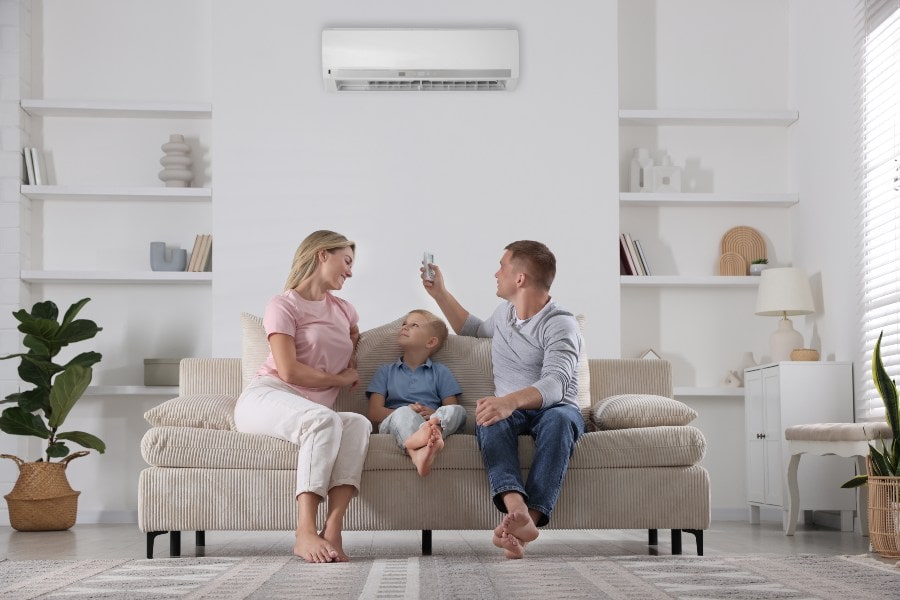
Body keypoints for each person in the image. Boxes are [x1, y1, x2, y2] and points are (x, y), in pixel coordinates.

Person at [421, 241, 583, 559]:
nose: (496, 274)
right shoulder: (505, 314)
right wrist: (439, 293)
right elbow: (474, 329)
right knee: (488, 417)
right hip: (510, 410)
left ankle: (525, 524)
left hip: (556, 408)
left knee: (560, 421)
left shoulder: (560, 323)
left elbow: (557, 383)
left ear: (520, 278)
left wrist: (509, 401)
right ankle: (516, 509)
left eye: (502, 266)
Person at [233, 230, 371, 564]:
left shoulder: (344, 310)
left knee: (357, 424)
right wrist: (339, 378)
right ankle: (304, 531)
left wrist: (351, 355)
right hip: (268, 396)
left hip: (309, 408)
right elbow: (290, 371)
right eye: (346, 261)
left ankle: (333, 530)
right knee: (323, 419)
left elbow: (350, 343)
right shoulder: (283, 305)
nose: (351, 271)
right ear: (322, 254)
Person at [366, 309, 466, 476]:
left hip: (431, 420)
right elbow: (374, 412)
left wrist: (433, 414)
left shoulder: (441, 372)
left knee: (459, 411)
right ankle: (425, 439)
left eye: (414, 325)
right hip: (395, 419)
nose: (404, 327)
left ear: (431, 342)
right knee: (403, 411)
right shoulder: (385, 371)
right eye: (404, 324)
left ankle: (431, 434)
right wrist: (405, 410)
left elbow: (451, 407)